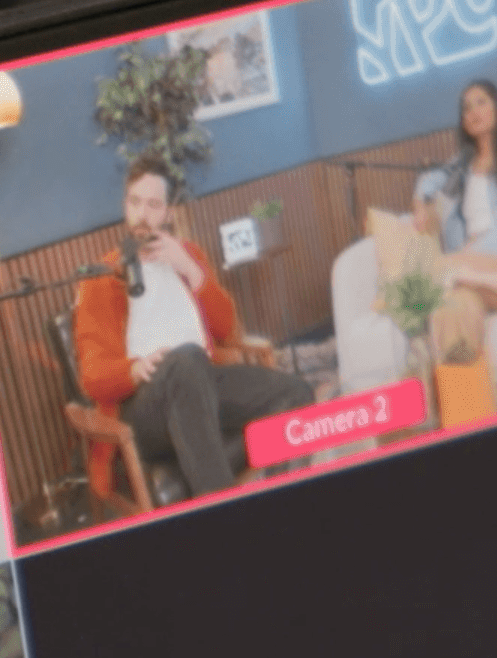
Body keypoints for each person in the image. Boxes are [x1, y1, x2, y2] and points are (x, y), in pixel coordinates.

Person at [71, 156, 315, 501]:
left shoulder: (188, 255)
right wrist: (134, 369)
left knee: (297, 393)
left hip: (201, 381)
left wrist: (190, 269)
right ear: (125, 205)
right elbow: (93, 377)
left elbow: (227, 329)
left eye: (153, 205)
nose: (142, 215)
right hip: (143, 405)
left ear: (169, 213)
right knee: (186, 359)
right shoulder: (103, 277)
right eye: (134, 202)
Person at [412, 79, 497, 363]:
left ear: (496, 108)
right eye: (466, 108)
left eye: (481, 102)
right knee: (452, 308)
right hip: (472, 275)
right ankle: (461, 391)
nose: (473, 112)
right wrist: (420, 204)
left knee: (443, 269)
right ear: (463, 121)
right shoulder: (462, 164)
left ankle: (412, 301)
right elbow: (428, 180)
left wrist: (471, 252)